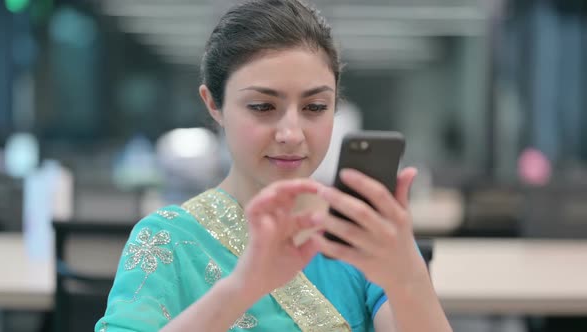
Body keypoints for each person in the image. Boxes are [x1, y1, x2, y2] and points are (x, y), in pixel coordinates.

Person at [95, 0, 452, 331]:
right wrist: (242, 287)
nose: (292, 134)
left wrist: (408, 272)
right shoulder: (166, 239)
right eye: (263, 107)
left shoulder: (354, 236)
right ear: (213, 105)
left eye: (314, 108)